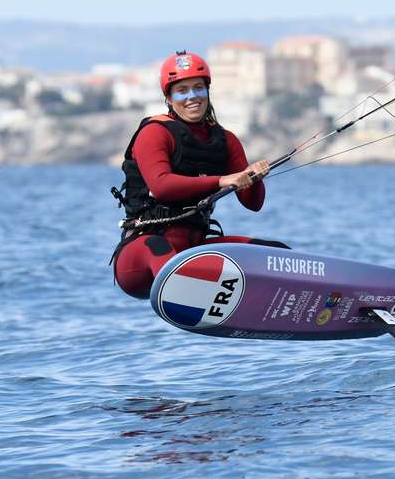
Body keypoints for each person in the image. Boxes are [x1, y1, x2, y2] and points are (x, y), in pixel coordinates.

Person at [111, 50, 287, 299]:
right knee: (159, 248)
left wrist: (253, 178)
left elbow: (253, 204)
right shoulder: (154, 132)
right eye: (182, 91)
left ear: (207, 91)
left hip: (194, 250)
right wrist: (222, 180)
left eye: (198, 88)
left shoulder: (226, 140)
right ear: (169, 98)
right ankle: (197, 296)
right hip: (142, 257)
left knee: (275, 254)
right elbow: (162, 187)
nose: (192, 97)